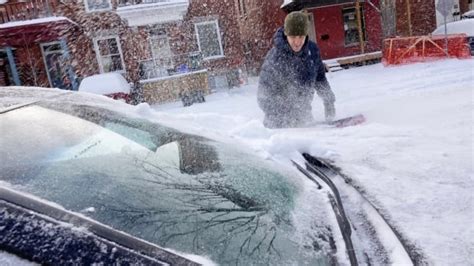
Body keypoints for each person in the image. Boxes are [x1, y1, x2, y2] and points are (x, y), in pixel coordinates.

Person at [258, 11, 336, 128]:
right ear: (286, 34)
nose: (297, 42)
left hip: (305, 118)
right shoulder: (274, 59)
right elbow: (264, 97)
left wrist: (328, 100)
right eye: (293, 37)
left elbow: (320, 79)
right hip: (279, 127)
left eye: (301, 36)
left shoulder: (313, 51)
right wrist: (286, 117)